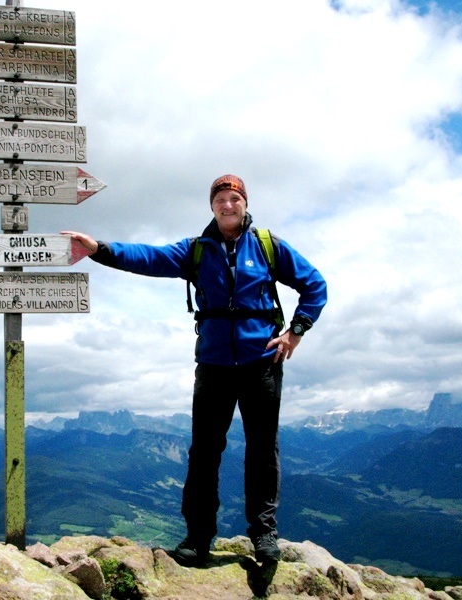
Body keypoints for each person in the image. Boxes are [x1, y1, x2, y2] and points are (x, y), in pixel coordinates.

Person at [63, 174, 327, 566]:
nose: (228, 205)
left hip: (262, 365)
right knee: (204, 454)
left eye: (234, 198)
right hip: (214, 367)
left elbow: (315, 285)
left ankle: (264, 534)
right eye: (220, 199)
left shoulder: (268, 247)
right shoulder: (196, 251)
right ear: (212, 206)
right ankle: (198, 536)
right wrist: (99, 249)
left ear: (244, 204)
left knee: (262, 452)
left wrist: (296, 331)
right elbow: (148, 257)